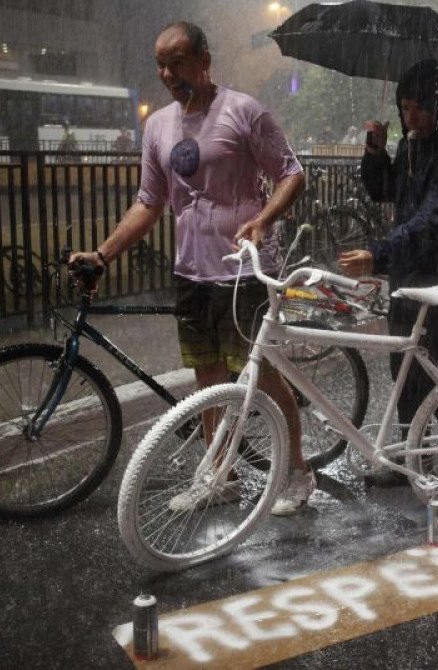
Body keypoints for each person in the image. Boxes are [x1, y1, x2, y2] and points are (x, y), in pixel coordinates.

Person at [69, 21, 313, 515]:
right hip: (192, 272)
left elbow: (292, 172)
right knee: (207, 378)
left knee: (259, 375)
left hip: (244, 270)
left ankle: (296, 470)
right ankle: (218, 474)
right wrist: (103, 253)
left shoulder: (243, 112)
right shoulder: (158, 125)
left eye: (178, 61)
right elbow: (148, 202)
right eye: (161, 63)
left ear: (204, 58)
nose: (168, 73)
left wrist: (264, 219)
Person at [338, 59, 438, 489]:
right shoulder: (413, 146)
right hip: (410, 270)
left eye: (420, 109)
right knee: (404, 369)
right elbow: (385, 190)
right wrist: (375, 150)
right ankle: (413, 456)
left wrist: (378, 253)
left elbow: (432, 220)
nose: (412, 118)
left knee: (426, 372)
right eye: (405, 109)